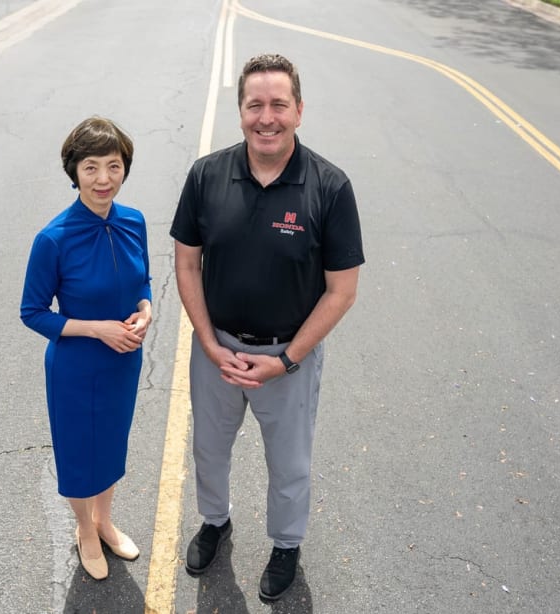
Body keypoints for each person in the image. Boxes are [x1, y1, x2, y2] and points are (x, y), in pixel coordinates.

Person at [170, 54, 364, 601]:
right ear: (240, 113)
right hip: (219, 353)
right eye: (255, 104)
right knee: (208, 450)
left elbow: (341, 291)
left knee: (290, 463)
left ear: (299, 110)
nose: (267, 117)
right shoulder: (207, 175)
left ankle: (285, 546)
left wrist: (285, 360)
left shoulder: (330, 187)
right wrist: (208, 344)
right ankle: (215, 522)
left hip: (288, 359)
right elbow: (186, 263)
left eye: (279, 104)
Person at [21, 116, 152, 581]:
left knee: (112, 445)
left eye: (113, 166)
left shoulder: (134, 221)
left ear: (125, 169)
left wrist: (146, 309)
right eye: (91, 167)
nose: (103, 179)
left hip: (123, 362)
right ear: (74, 171)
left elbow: (144, 283)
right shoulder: (53, 239)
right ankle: (84, 530)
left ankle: (105, 520)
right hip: (76, 366)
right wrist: (98, 330)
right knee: (79, 451)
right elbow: (33, 312)